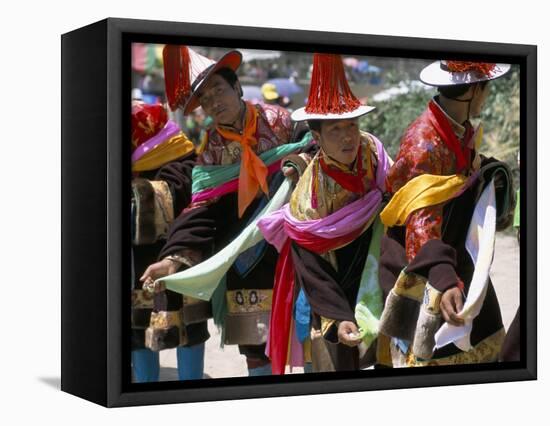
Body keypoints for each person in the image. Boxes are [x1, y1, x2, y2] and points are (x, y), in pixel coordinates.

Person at [141, 46, 314, 376]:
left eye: (218, 90)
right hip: (244, 256)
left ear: (237, 87)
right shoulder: (210, 149)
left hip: (291, 249)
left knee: (304, 330)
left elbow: (312, 151)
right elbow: (201, 207)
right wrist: (173, 257)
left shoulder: (280, 121)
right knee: (255, 347)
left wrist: (295, 164)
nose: (214, 102)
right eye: (205, 99)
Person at [258, 53, 393, 373]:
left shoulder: (373, 152)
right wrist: (340, 315)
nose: (348, 137)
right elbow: (312, 266)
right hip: (332, 288)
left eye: (353, 125)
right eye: (335, 130)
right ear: (316, 139)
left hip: (377, 274)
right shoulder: (308, 199)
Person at [378, 60, 516, 366]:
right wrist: (443, 278)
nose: (487, 97)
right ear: (474, 91)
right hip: (426, 264)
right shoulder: (424, 143)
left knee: (488, 345)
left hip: (455, 257)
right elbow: (421, 221)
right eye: (486, 90)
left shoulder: (457, 129)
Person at [130, 101, 201, 381]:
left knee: (190, 329)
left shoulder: (179, 156)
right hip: (142, 264)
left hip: (180, 257)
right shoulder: (138, 159)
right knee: (139, 329)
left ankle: (192, 389)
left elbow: (179, 189)